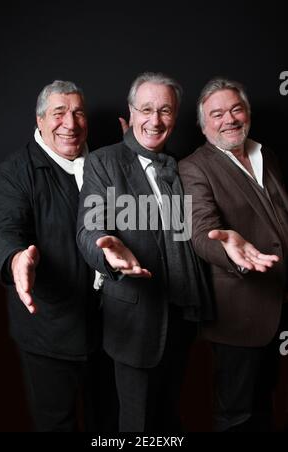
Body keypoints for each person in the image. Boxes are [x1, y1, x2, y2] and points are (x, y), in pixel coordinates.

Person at [77, 71, 215, 432]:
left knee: (170, 418)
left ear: (176, 114)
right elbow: (89, 228)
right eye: (147, 109)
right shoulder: (104, 162)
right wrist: (107, 254)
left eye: (165, 111)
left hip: (184, 316)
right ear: (132, 112)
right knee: (137, 425)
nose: (155, 120)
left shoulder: (180, 167)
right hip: (135, 320)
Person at [0, 80, 101, 432]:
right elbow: (3, 230)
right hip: (48, 332)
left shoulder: (104, 164)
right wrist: (15, 260)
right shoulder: (16, 171)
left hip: (109, 331)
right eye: (59, 113)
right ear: (39, 120)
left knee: (110, 425)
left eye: (78, 112)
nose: (70, 122)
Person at [179, 77, 288, 432]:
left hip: (276, 305)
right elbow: (200, 233)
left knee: (264, 405)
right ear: (203, 124)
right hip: (238, 315)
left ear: (248, 113)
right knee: (235, 416)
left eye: (236, 109)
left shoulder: (265, 154)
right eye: (217, 114)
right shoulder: (194, 166)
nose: (229, 119)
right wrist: (229, 249)